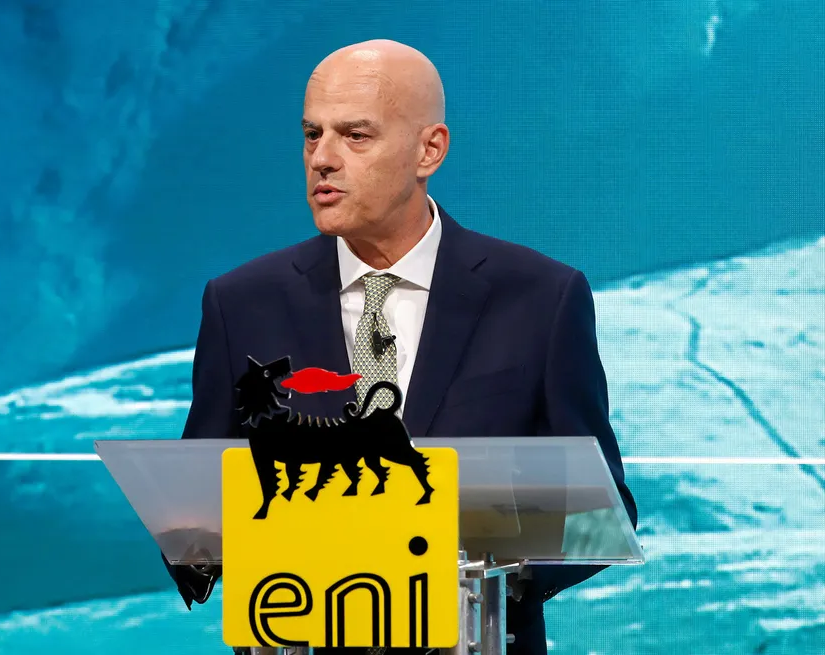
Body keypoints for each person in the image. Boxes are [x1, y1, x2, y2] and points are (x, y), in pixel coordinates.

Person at [169, 39, 638, 655]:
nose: (323, 159)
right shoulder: (241, 303)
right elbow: (193, 507)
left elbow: (600, 512)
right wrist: (206, 548)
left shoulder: (541, 298)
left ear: (429, 150)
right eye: (312, 135)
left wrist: (484, 582)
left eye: (355, 136)